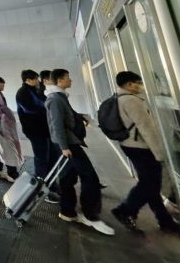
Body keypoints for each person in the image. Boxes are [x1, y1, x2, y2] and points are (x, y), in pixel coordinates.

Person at [110, 71, 180, 234]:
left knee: (151, 185)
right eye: (138, 83)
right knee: (149, 184)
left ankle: (165, 220)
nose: (141, 86)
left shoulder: (118, 98)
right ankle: (124, 209)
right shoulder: (132, 101)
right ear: (129, 84)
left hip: (129, 145)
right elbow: (146, 129)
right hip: (141, 147)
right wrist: (159, 154)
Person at [46, 68, 114, 235]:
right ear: (59, 81)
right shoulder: (55, 99)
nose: (71, 80)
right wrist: (64, 147)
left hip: (67, 143)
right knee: (90, 177)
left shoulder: (59, 97)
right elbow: (57, 125)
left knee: (68, 177)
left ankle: (67, 211)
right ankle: (91, 215)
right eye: (68, 78)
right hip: (68, 144)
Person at [16, 70, 60, 203]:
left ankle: (51, 184)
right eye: (36, 79)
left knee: (52, 157)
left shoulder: (36, 90)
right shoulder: (23, 92)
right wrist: (49, 108)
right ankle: (41, 189)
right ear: (28, 80)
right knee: (41, 159)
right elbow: (30, 109)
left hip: (44, 129)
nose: (38, 81)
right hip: (35, 131)